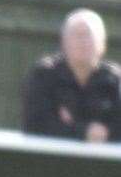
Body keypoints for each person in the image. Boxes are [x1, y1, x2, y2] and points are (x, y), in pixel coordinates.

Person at [22, 9, 121, 143]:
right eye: (76, 35)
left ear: (102, 44)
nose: (82, 42)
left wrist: (68, 126)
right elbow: (35, 125)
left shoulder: (115, 80)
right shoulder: (44, 75)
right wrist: (84, 132)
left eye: (88, 36)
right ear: (63, 42)